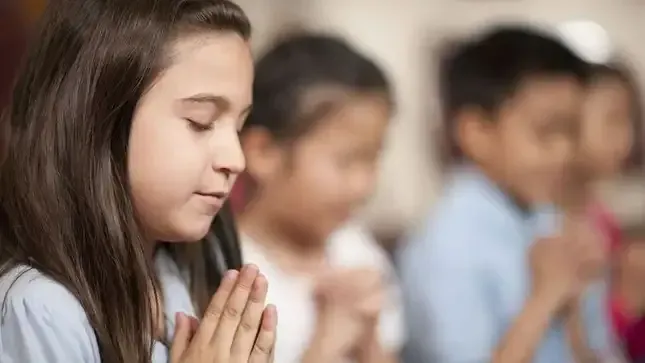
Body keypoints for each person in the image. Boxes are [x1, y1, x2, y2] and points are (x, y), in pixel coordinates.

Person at [0, 1, 277, 362]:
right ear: (99, 120)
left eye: (238, 127)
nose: (236, 160)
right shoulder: (41, 310)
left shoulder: (184, 272)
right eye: (201, 121)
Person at [399, 26, 614, 363]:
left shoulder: (553, 220)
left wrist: (574, 305)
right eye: (546, 133)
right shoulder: (446, 246)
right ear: (476, 132)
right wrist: (545, 297)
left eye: (572, 131)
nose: (564, 152)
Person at [235, 34, 405, 363]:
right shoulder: (229, 272)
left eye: (372, 159)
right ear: (264, 152)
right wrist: (327, 343)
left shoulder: (358, 250)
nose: (363, 185)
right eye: (345, 161)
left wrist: (368, 337)